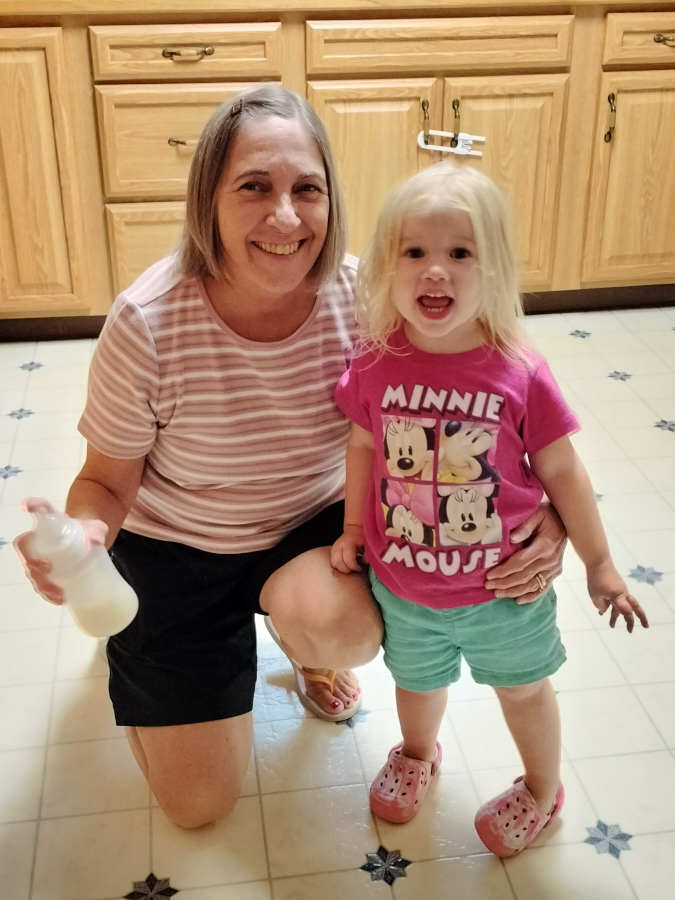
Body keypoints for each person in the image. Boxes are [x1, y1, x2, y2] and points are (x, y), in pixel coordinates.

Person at [14, 86, 566, 831]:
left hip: (311, 527)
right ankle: (138, 646)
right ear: (207, 201)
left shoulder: (368, 293)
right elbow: (106, 483)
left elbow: (494, 395)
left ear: (331, 199)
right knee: (197, 807)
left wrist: (553, 517)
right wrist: (86, 538)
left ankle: (303, 648)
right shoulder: (146, 321)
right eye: (253, 187)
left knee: (346, 629)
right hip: (177, 548)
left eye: (306, 189)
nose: (284, 217)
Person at [330, 161, 649, 857]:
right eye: (414, 251)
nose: (434, 271)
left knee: (524, 692)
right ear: (386, 264)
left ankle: (542, 788)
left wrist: (598, 563)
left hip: (505, 592)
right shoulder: (376, 361)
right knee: (415, 686)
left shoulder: (518, 371)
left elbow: (562, 469)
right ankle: (418, 754)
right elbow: (362, 446)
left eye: (459, 253)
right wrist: (353, 527)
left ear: (494, 268)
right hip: (405, 586)